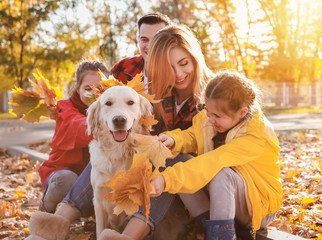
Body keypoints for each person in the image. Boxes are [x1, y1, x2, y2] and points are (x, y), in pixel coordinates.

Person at [26, 15, 213, 240]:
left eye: (158, 40)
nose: (150, 45)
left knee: (163, 162)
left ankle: (127, 233)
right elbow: (96, 101)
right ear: (138, 40)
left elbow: (190, 148)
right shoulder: (125, 68)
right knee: (103, 151)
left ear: (168, 43)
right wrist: (62, 109)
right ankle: (57, 223)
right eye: (145, 39)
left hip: (169, 176)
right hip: (127, 162)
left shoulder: (182, 87)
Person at [150, 70, 283, 240]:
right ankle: (211, 228)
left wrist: (166, 179)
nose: (210, 119)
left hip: (258, 206)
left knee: (221, 174)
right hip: (224, 202)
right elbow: (193, 135)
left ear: (242, 112)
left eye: (217, 116)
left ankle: (221, 237)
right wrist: (174, 140)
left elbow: (213, 161)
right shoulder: (211, 118)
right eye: (207, 111)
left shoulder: (256, 135)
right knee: (179, 161)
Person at [38, 60, 109, 213]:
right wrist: (100, 129)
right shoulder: (65, 107)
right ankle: (45, 208)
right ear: (77, 88)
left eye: (100, 89)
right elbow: (77, 125)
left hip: (91, 180)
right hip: (64, 172)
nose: (93, 93)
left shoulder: (110, 111)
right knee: (66, 181)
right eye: (87, 88)